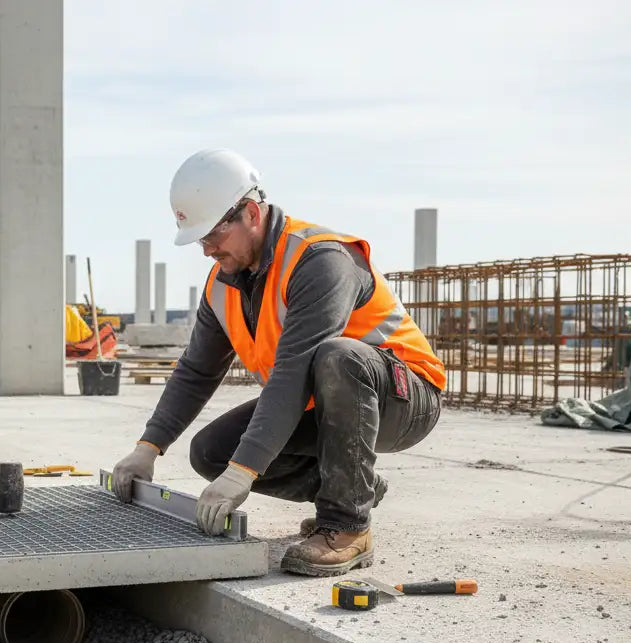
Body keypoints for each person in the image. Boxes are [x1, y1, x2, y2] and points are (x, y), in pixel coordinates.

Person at [110, 149, 446, 577]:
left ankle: (347, 526)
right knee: (212, 453)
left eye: (213, 234)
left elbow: (294, 370)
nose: (207, 250)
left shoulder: (320, 260)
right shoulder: (223, 284)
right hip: (324, 401)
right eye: (199, 240)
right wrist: (148, 447)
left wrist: (243, 474)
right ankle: (353, 488)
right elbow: (196, 371)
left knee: (337, 356)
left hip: (404, 398)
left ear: (250, 212)